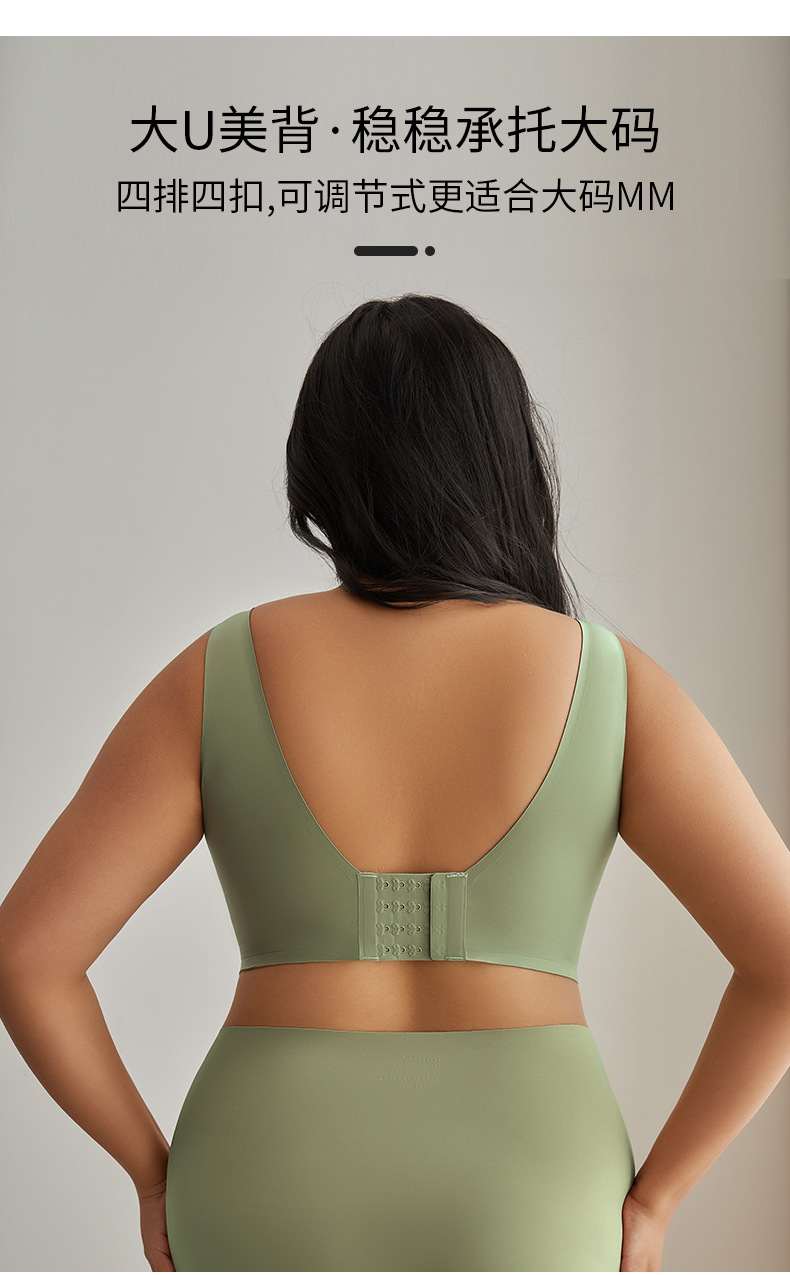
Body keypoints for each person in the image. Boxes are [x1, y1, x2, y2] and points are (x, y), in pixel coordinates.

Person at [1, 293, 790, 1274]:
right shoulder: (608, 680)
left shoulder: (220, 671)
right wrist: (658, 1197)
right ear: (507, 459)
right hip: (533, 1176)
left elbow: (27, 955)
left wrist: (152, 1172)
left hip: (265, 1162)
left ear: (318, 469)